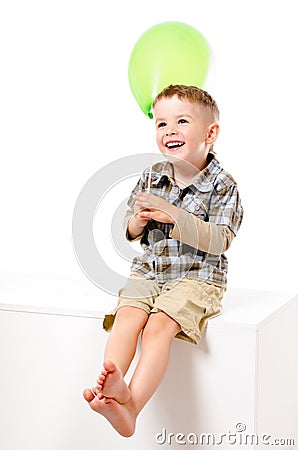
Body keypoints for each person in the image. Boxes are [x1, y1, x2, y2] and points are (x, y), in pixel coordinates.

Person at [83, 84, 243, 437]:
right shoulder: (153, 175)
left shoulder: (223, 186)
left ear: (210, 133)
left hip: (197, 277)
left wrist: (175, 216)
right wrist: (136, 222)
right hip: (151, 269)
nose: (169, 131)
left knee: (158, 327)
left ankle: (132, 408)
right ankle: (113, 386)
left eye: (181, 121)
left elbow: (220, 240)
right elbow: (130, 226)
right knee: (127, 317)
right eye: (161, 124)